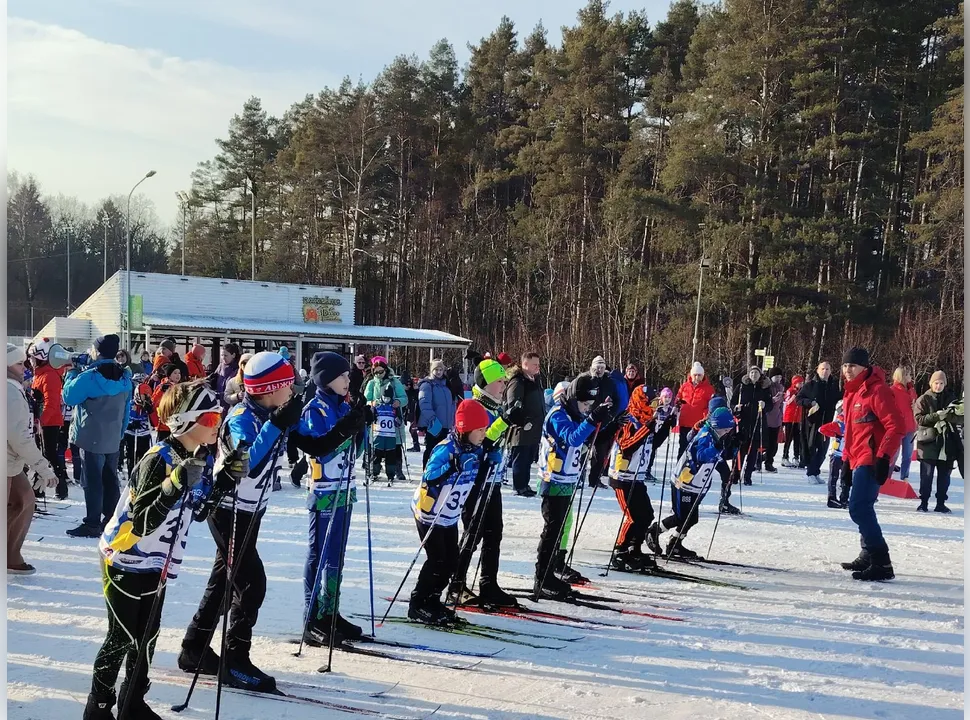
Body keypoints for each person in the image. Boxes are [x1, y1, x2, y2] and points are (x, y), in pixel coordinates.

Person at [84, 381, 245, 720]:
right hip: (125, 556)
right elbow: (140, 521)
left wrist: (225, 481)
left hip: (157, 560)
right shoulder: (157, 459)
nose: (219, 423)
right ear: (185, 421)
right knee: (122, 637)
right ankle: (97, 709)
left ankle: (133, 701)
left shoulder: (197, 457)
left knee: (147, 637)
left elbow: (199, 511)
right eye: (212, 418)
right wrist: (172, 486)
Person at [178, 352, 302, 693]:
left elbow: (311, 441)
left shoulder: (269, 411)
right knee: (251, 583)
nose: (292, 389)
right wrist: (278, 424)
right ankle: (235, 660)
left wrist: (345, 426)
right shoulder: (241, 418)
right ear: (270, 388)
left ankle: (194, 647)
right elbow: (249, 464)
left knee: (224, 580)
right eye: (287, 384)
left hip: (251, 511)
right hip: (229, 510)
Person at [294, 352, 368, 646]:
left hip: (344, 490)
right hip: (324, 490)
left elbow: (356, 452)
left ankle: (330, 611)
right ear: (326, 379)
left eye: (348, 376)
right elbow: (321, 449)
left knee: (337, 554)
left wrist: (361, 423)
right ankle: (311, 617)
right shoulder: (315, 409)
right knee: (319, 554)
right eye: (343, 376)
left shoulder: (342, 405)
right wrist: (346, 428)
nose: (348, 380)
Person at [409, 399, 489, 625]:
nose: (483, 434)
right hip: (429, 514)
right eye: (479, 430)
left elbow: (475, 478)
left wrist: (488, 464)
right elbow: (430, 478)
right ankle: (418, 603)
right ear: (465, 429)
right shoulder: (446, 449)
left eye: (484, 430)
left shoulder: (475, 449)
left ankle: (433, 599)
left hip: (449, 515)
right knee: (437, 560)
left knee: (451, 561)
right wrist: (452, 466)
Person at [534, 376, 611, 599]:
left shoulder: (574, 414)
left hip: (567, 480)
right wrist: (592, 419)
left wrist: (607, 420)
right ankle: (542, 577)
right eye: (585, 404)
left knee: (559, 529)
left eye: (590, 406)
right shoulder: (557, 415)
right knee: (552, 530)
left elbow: (589, 438)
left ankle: (551, 571)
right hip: (553, 480)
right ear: (574, 398)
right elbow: (573, 438)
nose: (587, 409)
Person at [451, 359, 517, 608]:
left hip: (493, 479)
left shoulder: (495, 407)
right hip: (476, 482)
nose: (503, 385)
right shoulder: (474, 406)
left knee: (494, 533)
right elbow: (475, 443)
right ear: (485, 383)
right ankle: (456, 585)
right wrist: (503, 424)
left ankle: (489, 584)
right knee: (472, 534)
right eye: (499, 381)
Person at [838, 347, 903, 582]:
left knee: (859, 507)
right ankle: (867, 553)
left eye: (852, 366)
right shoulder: (852, 393)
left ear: (864, 368)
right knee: (863, 506)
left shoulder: (877, 391)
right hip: (857, 457)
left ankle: (882, 562)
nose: (847, 370)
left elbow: (896, 426)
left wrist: (884, 457)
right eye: (845, 365)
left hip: (872, 458)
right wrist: (846, 461)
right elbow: (851, 432)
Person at [64, 335, 133, 539]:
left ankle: (92, 523)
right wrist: (120, 433)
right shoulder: (124, 376)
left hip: (91, 435)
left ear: (97, 351)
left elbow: (69, 396)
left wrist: (72, 373)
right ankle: (111, 521)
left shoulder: (89, 376)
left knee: (92, 480)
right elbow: (126, 408)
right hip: (113, 436)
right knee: (110, 479)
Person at [647, 406, 737, 559]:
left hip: (698, 485)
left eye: (729, 430)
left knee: (692, 518)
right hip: (684, 482)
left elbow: (722, 456)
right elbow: (701, 456)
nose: (727, 433)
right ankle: (654, 531)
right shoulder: (705, 435)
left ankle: (675, 544)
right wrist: (717, 447)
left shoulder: (718, 436)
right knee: (681, 517)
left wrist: (734, 446)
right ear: (716, 426)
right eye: (725, 430)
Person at [7, 343, 59, 575]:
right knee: (22, 502)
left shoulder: (14, 388)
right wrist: (42, 467)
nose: (24, 367)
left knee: (25, 500)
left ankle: (10, 554)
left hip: (11, 461)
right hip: (7, 460)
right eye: (19, 363)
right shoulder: (10, 391)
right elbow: (18, 436)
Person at [607, 385, 657, 572]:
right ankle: (619, 551)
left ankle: (634, 548)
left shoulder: (645, 419)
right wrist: (646, 429)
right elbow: (626, 445)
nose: (653, 406)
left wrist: (666, 422)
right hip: (622, 477)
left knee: (647, 514)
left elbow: (653, 442)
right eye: (651, 402)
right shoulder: (629, 420)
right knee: (632, 517)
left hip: (636, 476)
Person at [914, 370, 962, 513]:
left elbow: (959, 417)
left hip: (947, 443)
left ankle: (941, 503)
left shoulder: (952, 398)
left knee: (944, 476)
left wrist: (948, 416)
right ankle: (924, 502)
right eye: (936, 383)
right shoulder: (923, 399)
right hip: (928, 442)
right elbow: (919, 419)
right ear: (931, 383)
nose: (938, 386)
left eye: (941, 383)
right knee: (926, 476)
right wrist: (937, 416)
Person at [27, 338, 69, 499]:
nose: (30, 361)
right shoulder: (40, 374)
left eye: (32, 358)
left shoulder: (49, 375)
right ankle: (39, 487)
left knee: (49, 454)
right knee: (41, 455)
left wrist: (42, 422)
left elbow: (51, 403)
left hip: (49, 422)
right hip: (41, 421)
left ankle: (61, 487)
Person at [504, 352, 545, 498]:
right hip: (521, 429)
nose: (538, 367)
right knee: (520, 458)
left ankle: (525, 484)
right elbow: (512, 405)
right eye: (535, 364)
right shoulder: (518, 381)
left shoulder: (535, 380)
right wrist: (522, 421)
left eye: (538, 364)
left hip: (534, 428)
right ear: (525, 364)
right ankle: (519, 486)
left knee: (528, 458)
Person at [364, 357, 409, 485]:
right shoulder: (372, 383)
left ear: (386, 370)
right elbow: (365, 399)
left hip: (393, 419)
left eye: (381, 371)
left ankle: (396, 470)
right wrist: (372, 403)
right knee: (377, 448)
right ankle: (374, 470)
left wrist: (398, 402)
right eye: (376, 372)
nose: (379, 374)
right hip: (378, 421)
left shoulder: (394, 382)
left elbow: (404, 398)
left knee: (395, 446)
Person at [797, 361, 840, 484]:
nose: (825, 371)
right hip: (812, 422)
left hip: (828, 421)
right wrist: (810, 402)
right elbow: (799, 399)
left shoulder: (834, 385)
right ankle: (810, 472)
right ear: (817, 370)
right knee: (812, 447)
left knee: (823, 449)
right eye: (822, 369)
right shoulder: (810, 385)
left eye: (827, 369)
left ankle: (816, 471)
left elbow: (839, 398)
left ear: (831, 371)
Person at [733, 366, 773, 486]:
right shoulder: (741, 387)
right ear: (748, 374)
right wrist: (736, 407)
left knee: (752, 453)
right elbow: (732, 402)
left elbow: (770, 406)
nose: (753, 374)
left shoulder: (765, 388)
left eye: (756, 372)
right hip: (743, 423)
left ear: (760, 375)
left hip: (757, 423)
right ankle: (735, 475)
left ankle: (748, 476)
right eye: (751, 372)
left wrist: (765, 404)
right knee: (740, 451)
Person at [586, 356, 621, 489]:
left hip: (604, 421)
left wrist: (611, 409)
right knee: (582, 451)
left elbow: (616, 399)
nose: (599, 370)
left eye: (602, 367)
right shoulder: (587, 380)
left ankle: (595, 479)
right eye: (597, 367)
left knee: (600, 453)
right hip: (588, 419)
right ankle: (577, 477)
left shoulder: (609, 382)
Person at [418, 359, 457, 468]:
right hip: (433, 424)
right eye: (436, 369)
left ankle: (437, 473)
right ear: (431, 370)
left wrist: (452, 421)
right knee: (431, 449)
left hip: (445, 425)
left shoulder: (446, 385)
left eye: (441, 369)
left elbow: (451, 405)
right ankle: (427, 472)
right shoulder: (427, 385)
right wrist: (433, 420)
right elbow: (424, 404)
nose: (439, 372)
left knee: (442, 451)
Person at [675, 362, 715, 458]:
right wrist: (677, 403)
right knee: (683, 446)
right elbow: (678, 398)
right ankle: (680, 469)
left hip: (699, 423)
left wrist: (706, 414)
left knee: (696, 447)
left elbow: (712, 404)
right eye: (695, 375)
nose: (697, 377)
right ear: (692, 375)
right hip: (685, 421)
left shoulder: (709, 389)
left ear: (703, 376)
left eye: (699, 375)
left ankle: (694, 469)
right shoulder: (685, 386)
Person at [120, 374, 156, 478]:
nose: (146, 398)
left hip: (144, 435)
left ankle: (142, 475)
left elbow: (155, 423)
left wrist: (151, 412)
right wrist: (130, 425)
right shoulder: (130, 405)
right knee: (131, 456)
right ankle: (132, 475)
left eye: (148, 396)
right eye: (144, 395)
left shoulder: (149, 407)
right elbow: (123, 419)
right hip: (131, 435)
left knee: (144, 456)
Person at [889, 366, 918, 483]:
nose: (910, 377)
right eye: (908, 375)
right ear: (903, 376)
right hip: (897, 427)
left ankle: (904, 477)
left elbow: (915, 408)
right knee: (893, 454)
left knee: (908, 454)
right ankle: (886, 477)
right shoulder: (892, 390)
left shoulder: (911, 390)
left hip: (910, 427)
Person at [819, 402, 848, 508]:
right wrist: (836, 435)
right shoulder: (838, 422)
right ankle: (831, 498)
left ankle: (844, 498)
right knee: (834, 476)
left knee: (845, 477)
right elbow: (822, 429)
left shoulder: (851, 421)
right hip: (836, 453)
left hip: (846, 453)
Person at [646, 387, 676, 481]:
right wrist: (655, 414)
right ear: (661, 398)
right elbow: (650, 418)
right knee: (650, 450)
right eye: (665, 397)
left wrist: (673, 419)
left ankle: (648, 470)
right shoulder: (657, 406)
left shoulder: (671, 409)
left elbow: (674, 422)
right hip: (653, 431)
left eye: (669, 397)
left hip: (662, 432)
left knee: (654, 450)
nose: (667, 399)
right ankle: (645, 469)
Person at [760, 370, 785, 473]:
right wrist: (772, 400)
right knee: (763, 442)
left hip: (776, 419)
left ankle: (769, 462)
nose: (778, 379)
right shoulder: (767, 387)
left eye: (780, 376)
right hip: (766, 418)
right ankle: (758, 460)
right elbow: (764, 401)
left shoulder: (781, 388)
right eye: (776, 376)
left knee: (773, 444)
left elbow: (781, 404)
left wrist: (781, 416)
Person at [151, 365, 181, 442]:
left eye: (179, 373)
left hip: (177, 424)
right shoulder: (162, 386)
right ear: (169, 375)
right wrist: (162, 391)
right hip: (164, 425)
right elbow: (154, 402)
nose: (178, 375)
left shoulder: (179, 387)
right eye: (175, 373)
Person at [781, 375, 805, 467]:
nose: (801, 385)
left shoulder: (802, 391)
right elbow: (787, 401)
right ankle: (785, 456)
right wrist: (794, 396)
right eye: (799, 383)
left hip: (798, 418)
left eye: (802, 383)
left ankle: (796, 457)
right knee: (788, 438)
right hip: (789, 418)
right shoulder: (790, 391)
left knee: (797, 439)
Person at [214, 343, 242, 409]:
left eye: (226, 355)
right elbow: (214, 380)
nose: (223, 358)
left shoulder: (238, 369)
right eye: (222, 355)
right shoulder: (220, 366)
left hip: (233, 405)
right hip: (219, 403)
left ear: (233, 355)